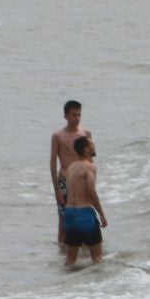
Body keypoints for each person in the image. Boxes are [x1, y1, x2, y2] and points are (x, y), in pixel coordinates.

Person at [49, 100, 91, 247]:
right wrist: (57, 189)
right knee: (64, 222)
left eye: (79, 114)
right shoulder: (58, 136)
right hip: (65, 182)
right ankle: (62, 253)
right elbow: (53, 162)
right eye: (73, 115)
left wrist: (91, 185)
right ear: (66, 116)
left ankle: (83, 251)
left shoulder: (85, 134)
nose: (77, 118)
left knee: (85, 220)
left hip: (82, 182)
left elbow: (89, 160)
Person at [60, 135, 107, 266]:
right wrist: (102, 215)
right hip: (84, 214)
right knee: (97, 258)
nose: (94, 146)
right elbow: (91, 192)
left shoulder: (70, 167)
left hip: (69, 214)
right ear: (86, 149)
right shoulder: (90, 167)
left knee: (70, 259)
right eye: (92, 144)